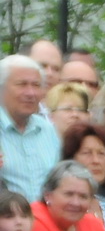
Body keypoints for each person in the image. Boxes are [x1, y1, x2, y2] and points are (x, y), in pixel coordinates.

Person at [1, 55, 59, 200]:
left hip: (44, 220)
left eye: (36, 85)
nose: (31, 93)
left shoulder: (47, 130)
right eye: (22, 84)